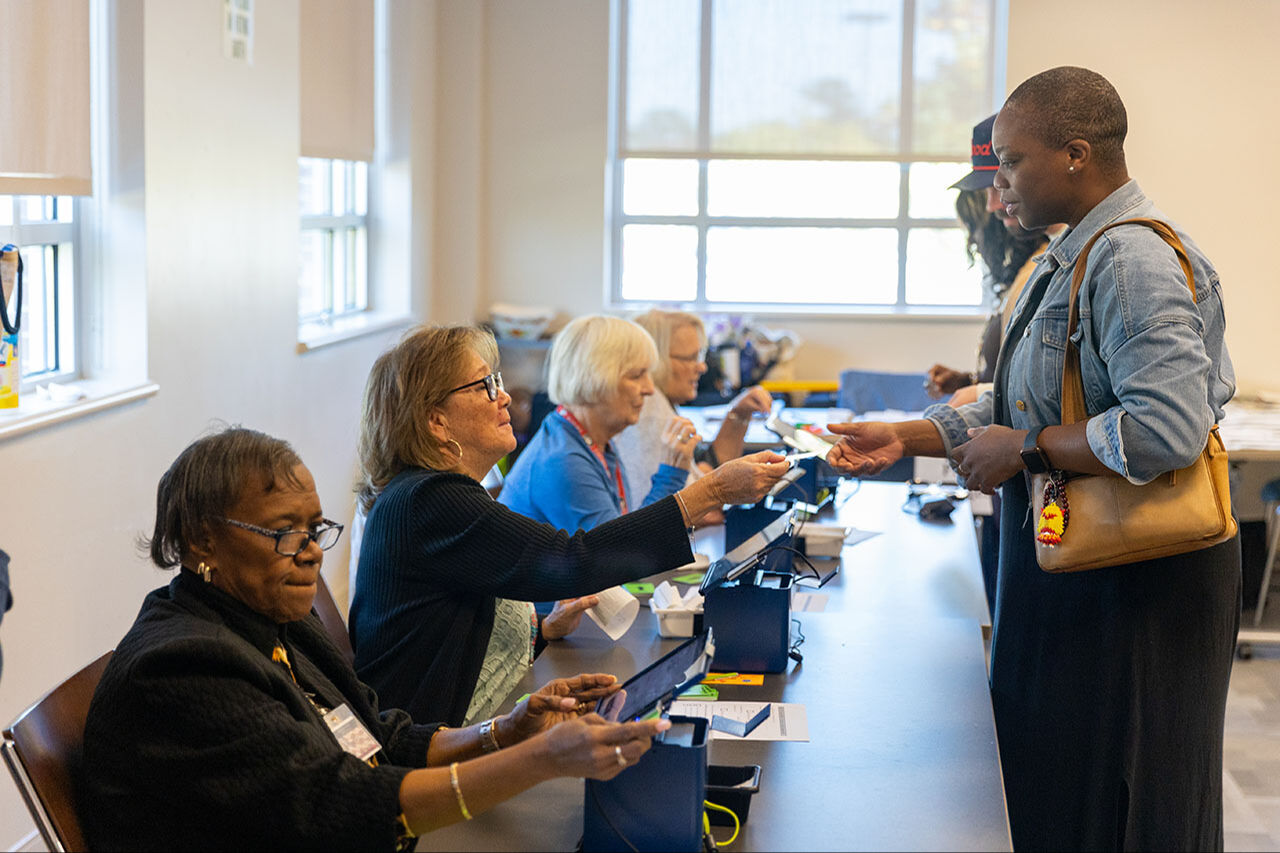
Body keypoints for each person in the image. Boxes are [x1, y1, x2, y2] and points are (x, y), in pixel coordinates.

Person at [824, 67, 1239, 851]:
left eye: (1010, 162)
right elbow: (1029, 397)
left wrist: (1029, 449)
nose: (998, 184)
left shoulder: (1127, 260)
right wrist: (909, 434)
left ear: (1076, 155)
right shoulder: (1071, 256)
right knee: (1053, 786)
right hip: (1083, 572)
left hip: (1138, 587)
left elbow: (1167, 427)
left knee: (1117, 798)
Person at [81, 427, 668, 851]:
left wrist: (506, 732)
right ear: (200, 540)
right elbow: (338, 804)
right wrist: (535, 760)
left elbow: (376, 734)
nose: (310, 551)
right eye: (284, 532)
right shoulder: (185, 665)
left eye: (315, 530)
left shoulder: (272, 619)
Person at [350, 325, 787, 728]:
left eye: (496, 382)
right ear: (436, 421)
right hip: (424, 754)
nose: (504, 398)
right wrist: (709, 491)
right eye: (485, 386)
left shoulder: (430, 495)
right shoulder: (430, 499)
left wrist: (541, 631)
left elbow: (450, 630)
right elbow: (573, 559)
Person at [498, 314, 698, 532]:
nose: (649, 389)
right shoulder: (564, 461)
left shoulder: (589, 440)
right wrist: (672, 475)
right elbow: (622, 556)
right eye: (637, 375)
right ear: (594, 379)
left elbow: (624, 532)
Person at [926, 113, 1057, 406]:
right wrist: (970, 383)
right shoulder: (1029, 268)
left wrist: (975, 393)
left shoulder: (1048, 267)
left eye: (997, 188)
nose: (993, 204)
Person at [614, 309, 774, 514]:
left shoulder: (664, 405)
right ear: (656, 361)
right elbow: (696, 508)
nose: (702, 367)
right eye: (691, 357)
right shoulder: (650, 411)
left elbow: (706, 472)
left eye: (700, 355)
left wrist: (739, 413)